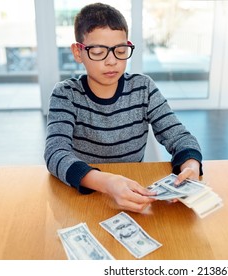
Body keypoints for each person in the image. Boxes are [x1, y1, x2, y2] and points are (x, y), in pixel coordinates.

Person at [44, 3, 203, 213]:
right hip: (86, 196)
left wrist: (191, 166)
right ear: (78, 52)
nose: (112, 62)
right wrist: (106, 182)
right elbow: (55, 152)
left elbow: (180, 137)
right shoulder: (66, 95)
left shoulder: (143, 88)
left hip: (133, 191)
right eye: (99, 52)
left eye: (120, 51)